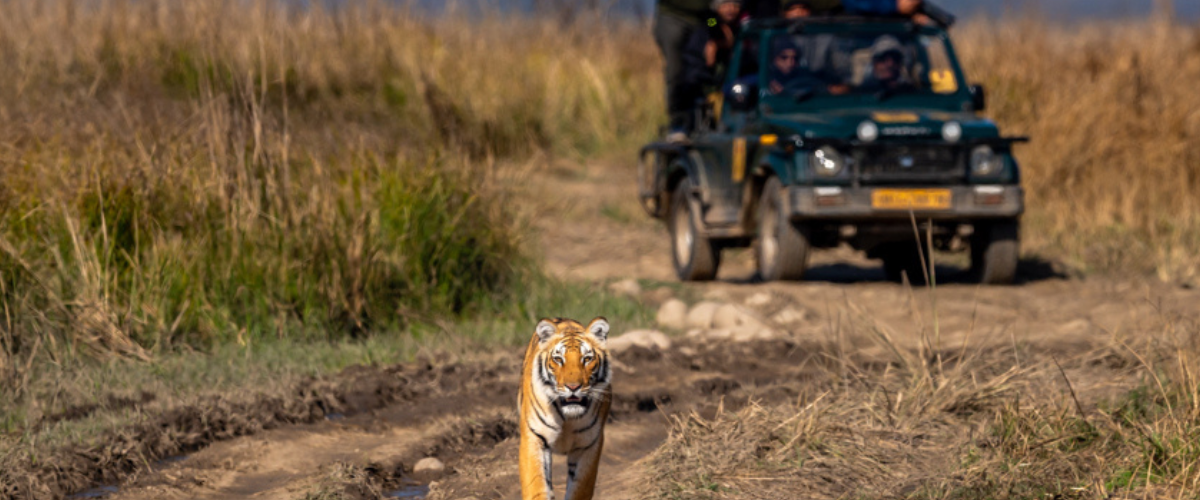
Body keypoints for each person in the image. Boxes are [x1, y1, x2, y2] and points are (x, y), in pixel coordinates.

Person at [655, 0, 714, 142]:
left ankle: (709, 120)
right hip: (674, 17)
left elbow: (715, 18)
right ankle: (678, 123)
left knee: (705, 71)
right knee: (676, 71)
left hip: (706, 19)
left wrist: (717, 30)